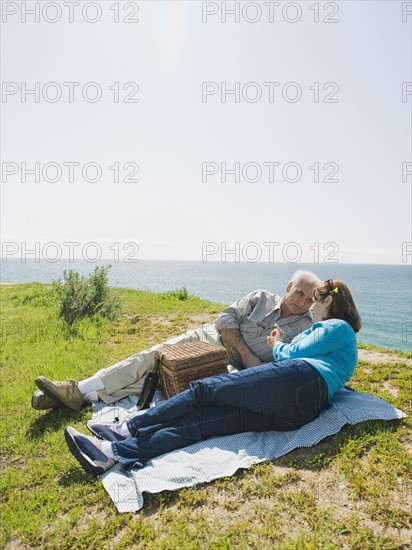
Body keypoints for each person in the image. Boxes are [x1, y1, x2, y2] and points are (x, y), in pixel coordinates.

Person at [64, 278, 362, 476]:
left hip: (297, 379)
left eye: (316, 300)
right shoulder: (339, 340)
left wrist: (278, 344)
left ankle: (128, 427)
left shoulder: (335, 327)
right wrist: (285, 346)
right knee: (203, 423)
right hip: (301, 412)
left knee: (204, 390)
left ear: (328, 302)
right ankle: (113, 453)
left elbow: (292, 354)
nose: (311, 305)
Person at [32, 270, 320, 411]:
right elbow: (224, 321)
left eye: (309, 299)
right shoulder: (259, 297)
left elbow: (305, 347)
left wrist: (246, 360)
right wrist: (247, 354)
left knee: (161, 379)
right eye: (299, 294)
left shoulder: (307, 325)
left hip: (227, 365)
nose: (303, 302)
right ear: (288, 287)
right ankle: (78, 389)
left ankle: (80, 396)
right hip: (207, 339)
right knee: (153, 357)